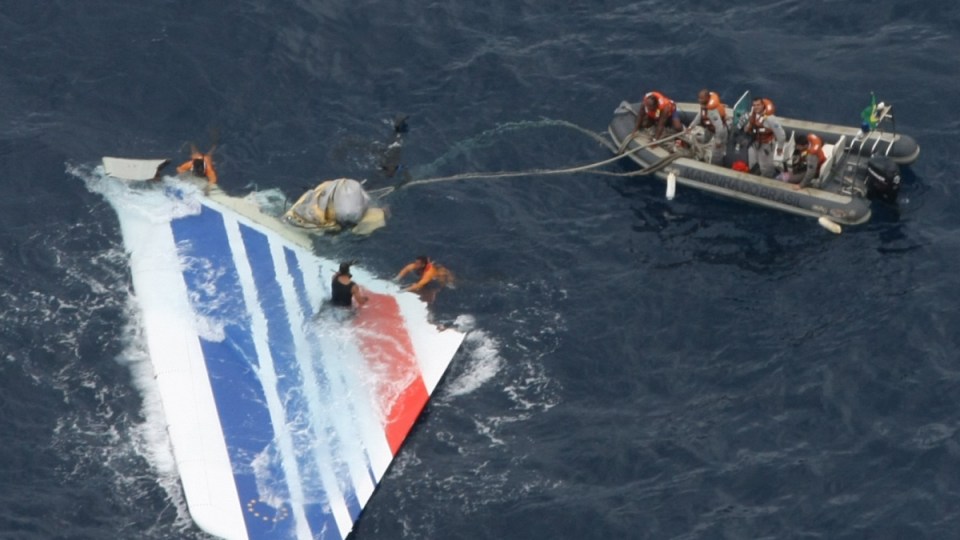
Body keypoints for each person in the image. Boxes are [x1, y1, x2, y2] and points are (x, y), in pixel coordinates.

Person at [738, 97, 785, 178]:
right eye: (754, 105)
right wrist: (747, 128)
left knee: (765, 165)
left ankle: (768, 177)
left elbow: (781, 135)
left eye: (758, 105)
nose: (756, 107)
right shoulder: (753, 114)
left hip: (766, 145)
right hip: (755, 142)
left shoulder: (770, 119)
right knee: (755, 160)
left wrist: (780, 148)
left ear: (763, 105)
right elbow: (750, 124)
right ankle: (758, 172)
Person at [688, 89, 728, 165]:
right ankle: (696, 144)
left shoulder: (712, 111)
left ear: (707, 98)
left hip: (719, 132)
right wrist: (691, 127)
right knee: (704, 140)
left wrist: (718, 140)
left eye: (701, 98)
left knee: (717, 153)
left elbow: (719, 127)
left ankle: (717, 166)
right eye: (699, 98)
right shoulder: (704, 106)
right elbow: (699, 116)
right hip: (709, 129)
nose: (699, 100)